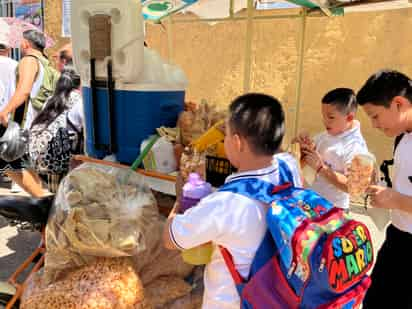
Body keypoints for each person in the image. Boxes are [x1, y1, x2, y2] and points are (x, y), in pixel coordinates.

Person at [163, 93, 302, 309]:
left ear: (237, 142)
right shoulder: (289, 166)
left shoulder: (225, 205)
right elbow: (275, 158)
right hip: (281, 295)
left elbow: (170, 238)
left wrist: (181, 200)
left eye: (225, 136)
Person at [356, 70, 412, 309]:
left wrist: (396, 200)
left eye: (375, 116)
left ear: (398, 104)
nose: (374, 125)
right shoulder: (402, 137)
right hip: (397, 239)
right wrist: (379, 187)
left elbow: (401, 198)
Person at [295, 88, 369, 211]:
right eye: (323, 116)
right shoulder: (326, 135)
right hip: (313, 202)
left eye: (331, 117)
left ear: (349, 118)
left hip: (334, 209)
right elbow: (303, 163)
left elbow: (353, 187)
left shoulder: (355, 146)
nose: (325, 121)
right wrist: (303, 149)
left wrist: (321, 168)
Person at [29, 68, 83, 192]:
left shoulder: (50, 99)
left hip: (41, 156)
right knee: (67, 197)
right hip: (63, 157)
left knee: (55, 196)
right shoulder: (79, 100)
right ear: (80, 84)